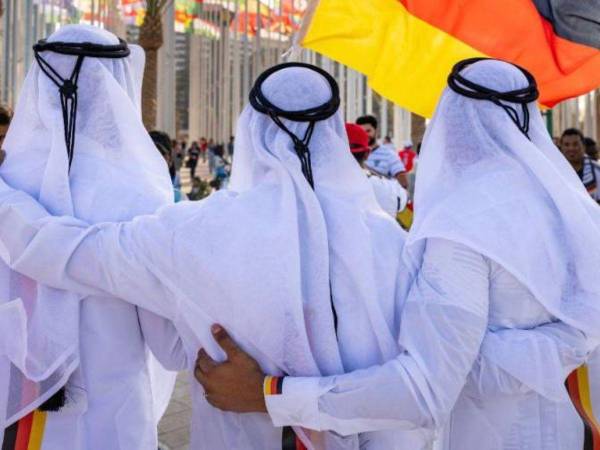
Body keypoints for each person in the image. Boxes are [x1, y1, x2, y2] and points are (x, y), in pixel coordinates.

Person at [0, 62, 423, 449]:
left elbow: (65, 253)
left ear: (252, 129)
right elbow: (421, 385)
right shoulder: (395, 245)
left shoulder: (196, 232)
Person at [193, 59, 600, 450]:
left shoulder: (465, 231)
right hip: (568, 428)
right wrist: (557, 344)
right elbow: (579, 329)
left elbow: (424, 388)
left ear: (452, 125)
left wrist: (270, 393)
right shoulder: (577, 214)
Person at [0, 25, 182, 450]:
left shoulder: (8, 182)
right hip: (113, 418)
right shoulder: (141, 193)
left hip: (16, 418)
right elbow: (169, 346)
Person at [346, 122, 407, 217]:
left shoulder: (318, 187)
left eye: (368, 130)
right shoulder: (385, 189)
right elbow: (401, 195)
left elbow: (402, 179)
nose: (367, 134)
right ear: (367, 154)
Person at [356, 114, 409, 188]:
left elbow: (403, 182)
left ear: (376, 131)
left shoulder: (388, 154)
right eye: (361, 131)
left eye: (368, 131)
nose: (365, 134)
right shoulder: (352, 154)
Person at [560, 128, 600, 202]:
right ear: (561, 147)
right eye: (566, 145)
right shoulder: (555, 171)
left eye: (575, 144)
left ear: (584, 146)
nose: (571, 148)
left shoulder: (597, 170)